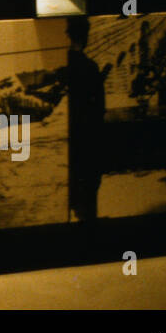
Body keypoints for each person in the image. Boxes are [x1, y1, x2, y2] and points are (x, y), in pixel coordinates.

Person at [64, 16, 107, 222]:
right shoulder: (90, 67)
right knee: (88, 197)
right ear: (86, 36)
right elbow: (99, 109)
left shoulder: (65, 66)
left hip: (70, 141)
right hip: (87, 140)